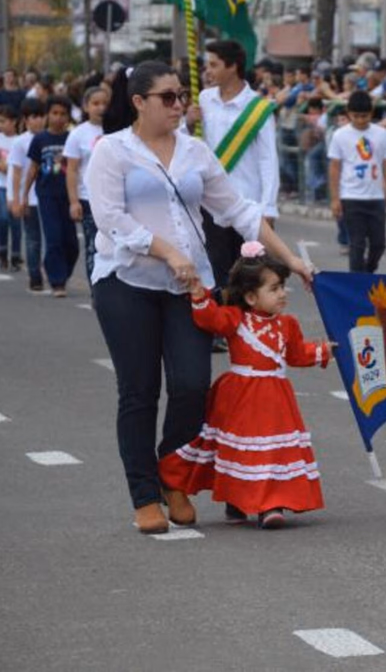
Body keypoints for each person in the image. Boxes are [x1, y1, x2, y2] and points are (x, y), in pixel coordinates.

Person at [86, 60, 312, 535]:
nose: (179, 105)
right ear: (139, 102)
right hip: (126, 282)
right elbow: (110, 219)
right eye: (167, 97)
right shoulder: (112, 151)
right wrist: (167, 251)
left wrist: (290, 259)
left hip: (189, 289)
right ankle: (145, 496)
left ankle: (174, 477)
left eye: (182, 96)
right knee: (139, 390)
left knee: (191, 385)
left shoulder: (196, 152)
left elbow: (239, 211)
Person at [159, 243, 333, 529]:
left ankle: (271, 503)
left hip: (276, 399)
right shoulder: (236, 319)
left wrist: (323, 351)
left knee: (272, 451)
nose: (282, 294)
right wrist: (198, 294)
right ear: (251, 297)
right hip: (241, 398)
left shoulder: (287, 325)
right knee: (240, 450)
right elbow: (210, 319)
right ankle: (238, 500)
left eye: (282, 287)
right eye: (274, 289)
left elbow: (296, 354)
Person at [192, 40, 280, 296]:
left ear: (232, 67)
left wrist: (268, 207)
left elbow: (268, 160)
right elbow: (193, 147)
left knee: (249, 276)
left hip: (248, 203)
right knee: (218, 273)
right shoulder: (204, 99)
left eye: (214, 65)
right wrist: (187, 122)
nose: (208, 71)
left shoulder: (258, 107)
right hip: (212, 202)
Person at [327, 89, 386, 274]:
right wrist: (335, 199)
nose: (360, 120)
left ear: (371, 113)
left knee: (379, 244)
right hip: (351, 197)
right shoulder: (340, 135)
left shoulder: (381, 134)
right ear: (349, 113)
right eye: (355, 116)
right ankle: (356, 281)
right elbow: (334, 168)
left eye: (364, 116)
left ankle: (368, 271)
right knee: (357, 244)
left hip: (376, 197)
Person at [24, 95, 76, 297]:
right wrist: (23, 195)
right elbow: (33, 169)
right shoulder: (40, 139)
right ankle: (57, 282)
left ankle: (59, 270)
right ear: (47, 115)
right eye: (54, 113)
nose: (58, 117)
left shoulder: (73, 138)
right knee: (54, 238)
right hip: (47, 196)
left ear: (68, 116)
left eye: (63, 114)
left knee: (71, 243)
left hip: (69, 195)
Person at [63, 86, 109, 293]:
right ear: (86, 106)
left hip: (113, 198)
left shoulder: (117, 129)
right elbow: (72, 170)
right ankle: (96, 292)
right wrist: (74, 201)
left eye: (105, 103)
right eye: (95, 103)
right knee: (93, 246)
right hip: (88, 198)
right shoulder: (78, 134)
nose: (101, 108)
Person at [6, 99, 46, 287]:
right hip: (29, 198)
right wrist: (15, 199)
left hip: (49, 197)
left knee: (53, 240)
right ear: (26, 120)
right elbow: (16, 172)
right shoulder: (20, 142)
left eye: (41, 116)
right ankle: (35, 276)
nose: (38, 121)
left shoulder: (49, 137)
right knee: (33, 239)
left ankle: (54, 272)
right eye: (33, 117)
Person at [0, 105, 19, 271]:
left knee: (16, 222)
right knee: (3, 218)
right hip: (1, 185)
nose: (1, 125)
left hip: (15, 186)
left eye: (3, 121)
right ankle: (2, 250)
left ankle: (16, 254)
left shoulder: (18, 141)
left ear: (14, 122)